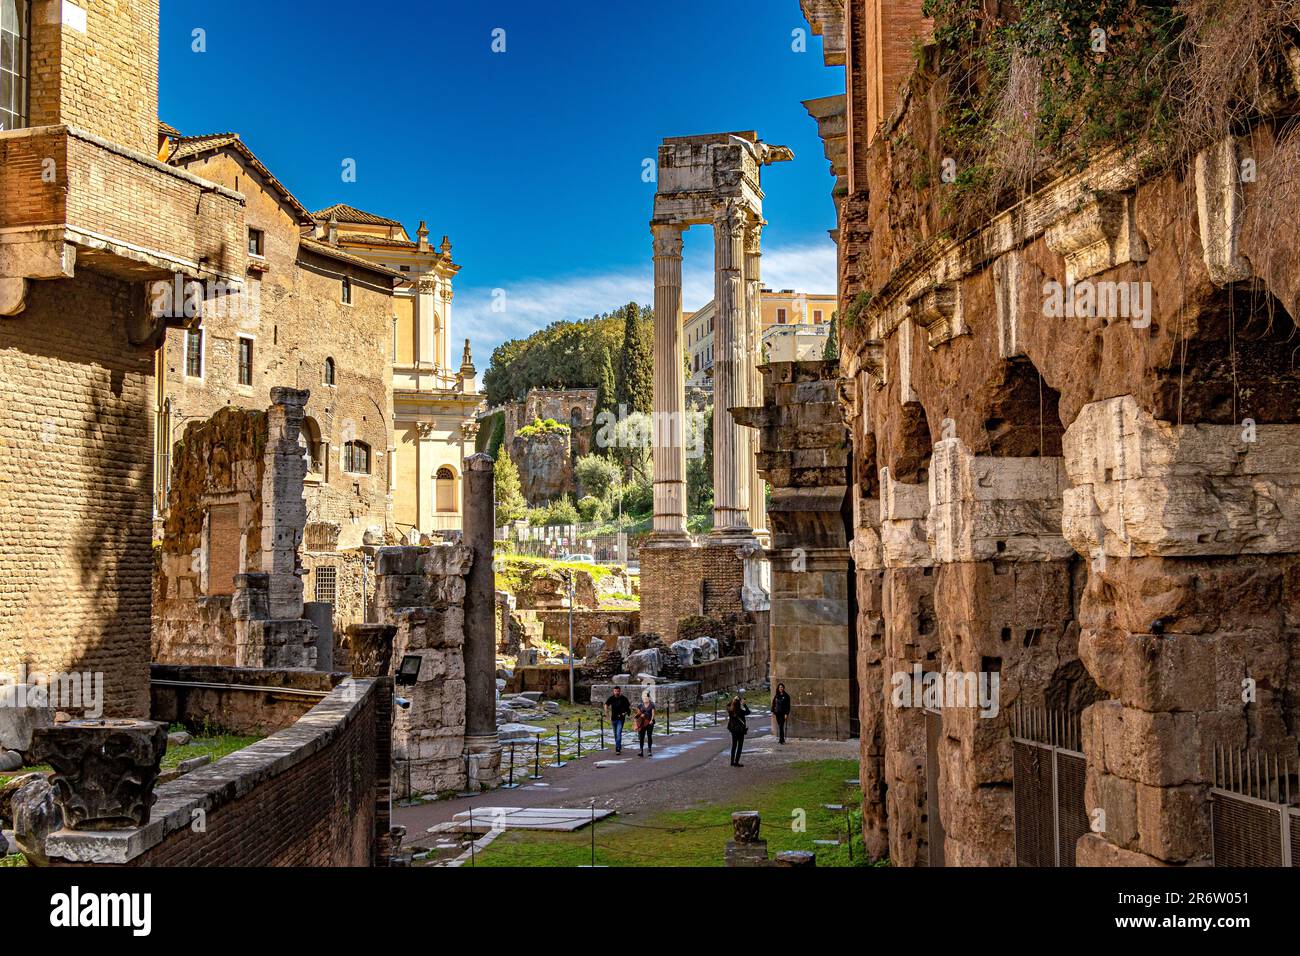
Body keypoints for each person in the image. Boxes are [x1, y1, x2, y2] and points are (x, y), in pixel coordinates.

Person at [726, 695, 752, 767]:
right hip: (740, 731)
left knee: (734, 746)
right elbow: (748, 712)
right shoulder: (741, 711)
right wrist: (744, 704)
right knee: (739, 746)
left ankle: (732, 762)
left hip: (733, 730)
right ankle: (736, 762)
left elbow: (727, 705)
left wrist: (734, 699)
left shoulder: (731, 710)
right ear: (739, 704)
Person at [605, 686, 631, 754]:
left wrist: (625, 713)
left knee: (618, 733)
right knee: (615, 734)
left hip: (620, 719)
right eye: (615, 691)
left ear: (620, 691)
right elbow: (606, 704)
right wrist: (607, 713)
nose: (616, 692)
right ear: (613, 691)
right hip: (613, 719)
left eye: (618, 691)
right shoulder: (611, 698)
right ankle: (618, 745)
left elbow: (628, 708)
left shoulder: (623, 698)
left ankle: (618, 749)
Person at [634, 691, 656, 757]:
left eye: (646, 697)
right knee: (641, 737)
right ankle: (641, 750)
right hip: (642, 723)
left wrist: (651, 720)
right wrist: (637, 721)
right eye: (643, 697)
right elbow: (638, 715)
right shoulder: (640, 705)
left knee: (649, 736)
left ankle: (649, 750)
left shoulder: (652, 705)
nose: (645, 698)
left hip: (649, 723)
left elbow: (653, 714)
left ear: (649, 697)